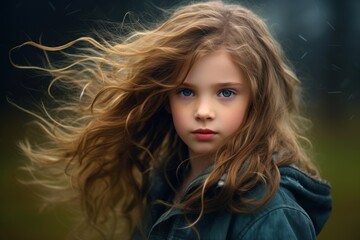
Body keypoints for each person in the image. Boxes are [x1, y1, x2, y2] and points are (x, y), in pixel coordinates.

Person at [13, 1, 332, 239]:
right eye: (185, 91)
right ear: (164, 97)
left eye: (226, 93)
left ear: (257, 100)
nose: (203, 111)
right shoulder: (165, 181)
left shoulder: (270, 213)